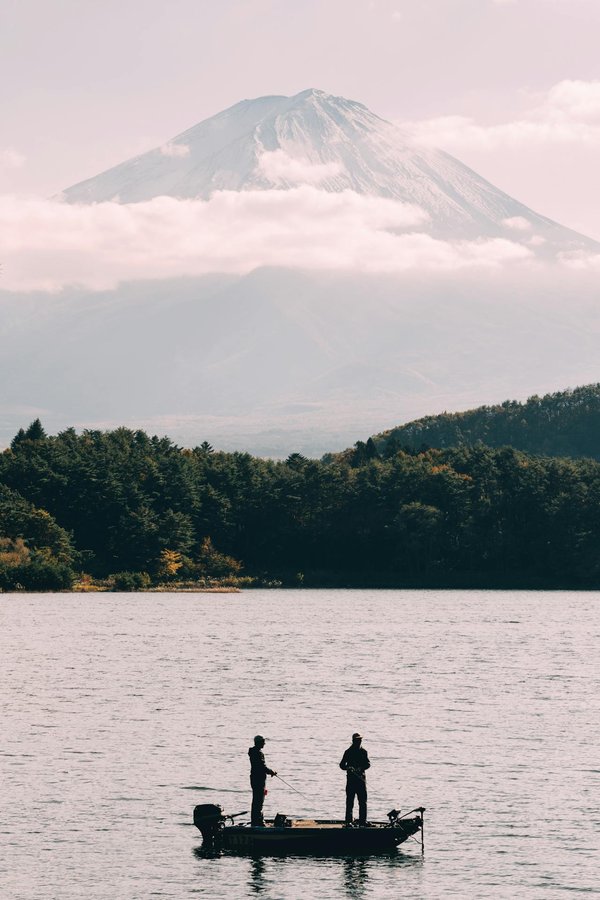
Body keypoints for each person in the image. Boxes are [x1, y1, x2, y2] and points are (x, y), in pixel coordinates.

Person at [339, 732, 370, 826]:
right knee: (350, 802)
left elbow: (368, 764)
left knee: (363, 802)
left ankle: (362, 821)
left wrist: (361, 768)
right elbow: (341, 765)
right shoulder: (348, 752)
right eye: (357, 740)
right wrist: (348, 768)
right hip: (351, 781)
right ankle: (348, 821)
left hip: (361, 780)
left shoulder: (363, 751)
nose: (359, 741)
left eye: (360, 740)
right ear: (353, 741)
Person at [248, 735, 277, 826]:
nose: (264, 743)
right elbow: (262, 767)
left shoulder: (253, 752)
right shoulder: (258, 753)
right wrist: (271, 771)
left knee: (256, 799)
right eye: (263, 742)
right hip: (258, 779)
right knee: (259, 800)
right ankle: (258, 821)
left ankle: (255, 820)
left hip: (254, 778)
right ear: (259, 743)